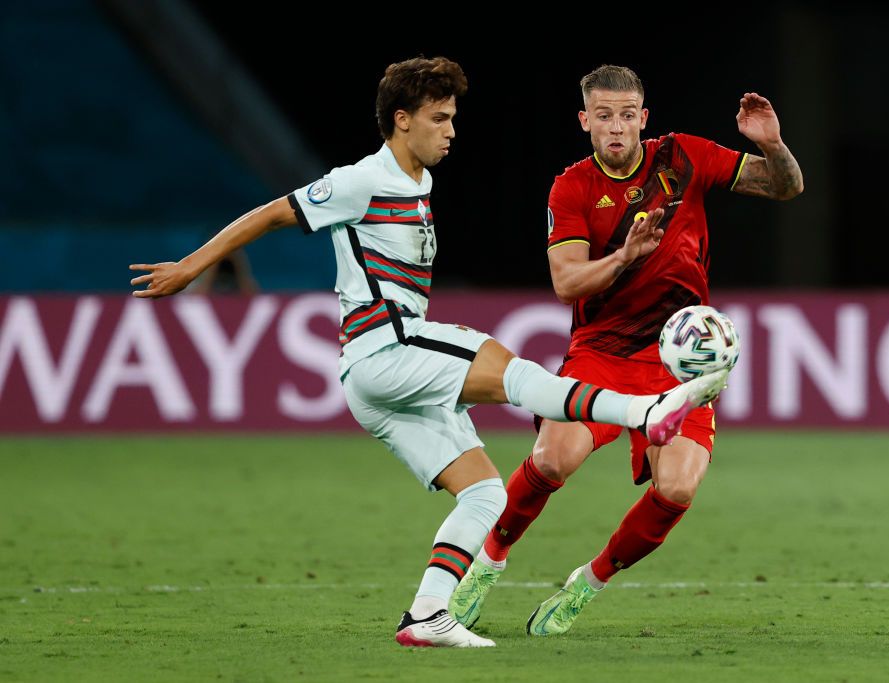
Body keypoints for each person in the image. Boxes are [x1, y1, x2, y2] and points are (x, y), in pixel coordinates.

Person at [128, 57, 730, 648]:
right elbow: (270, 215)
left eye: (451, 118)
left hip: (379, 385)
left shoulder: (421, 182)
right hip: (385, 348)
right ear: (401, 120)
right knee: (510, 370)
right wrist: (190, 266)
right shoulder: (363, 179)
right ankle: (645, 414)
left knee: (485, 493)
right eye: (440, 118)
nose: (451, 131)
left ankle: (426, 615)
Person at [450, 65, 803, 636]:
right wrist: (625, 257)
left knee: (679, 486)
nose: (616, 128)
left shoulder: (684, 158)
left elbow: (786, 186)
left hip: (677, 359)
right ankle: (488, 562)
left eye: (626, 116)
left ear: (644, 118)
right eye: (604, 116)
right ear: (585, 121)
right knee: (551, 459)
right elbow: (567, 282)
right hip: (603, 351)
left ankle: (588, 582)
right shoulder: (572, 187)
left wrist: (774, 145)